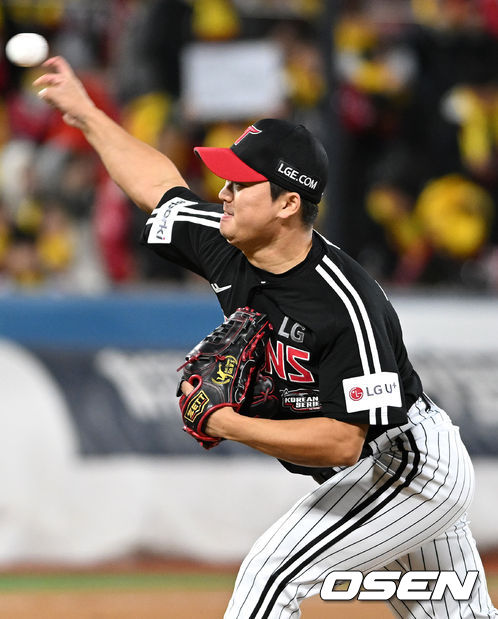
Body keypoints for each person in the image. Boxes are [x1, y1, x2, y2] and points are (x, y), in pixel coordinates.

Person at [35, 57, 497, 618]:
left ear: (287, 203)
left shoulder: (346, 302)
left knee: (270, 576)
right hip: (374, 470)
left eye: (241, 182)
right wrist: (86, 114)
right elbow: (158, 187)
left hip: (405, 467)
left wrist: (226, 422)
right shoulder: (226, 242)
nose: (223, 192)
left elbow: (342, 442)